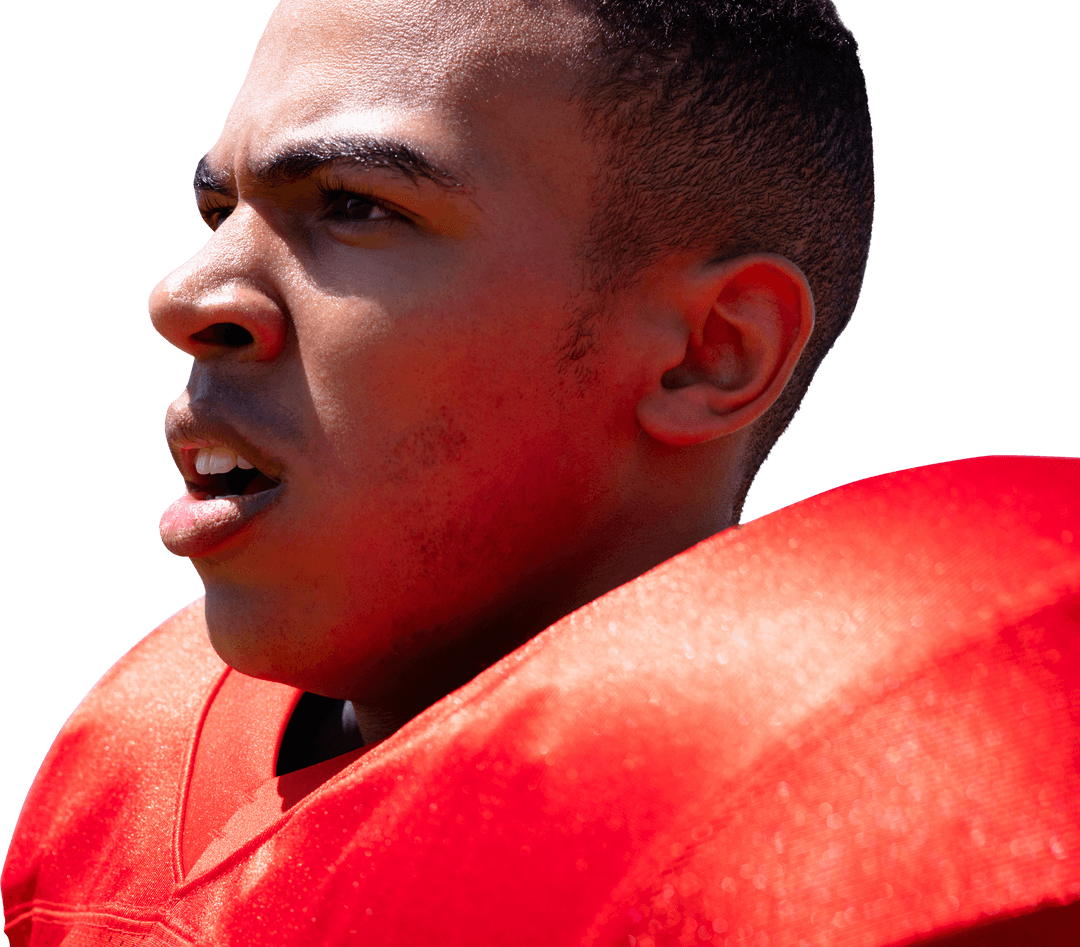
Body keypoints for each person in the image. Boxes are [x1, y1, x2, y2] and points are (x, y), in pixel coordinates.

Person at [4, 1, 1077, 944]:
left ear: (713, 349)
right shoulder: (131, 767)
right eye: (216, 211)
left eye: (354, 204)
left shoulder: (886, 831)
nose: (187, 296)